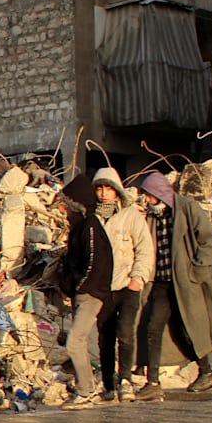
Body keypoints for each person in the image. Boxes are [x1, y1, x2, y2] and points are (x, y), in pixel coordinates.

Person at [134, 171, 212, 397]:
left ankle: (207, 371)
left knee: (189, 328)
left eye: (148, 195)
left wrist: (196, 272)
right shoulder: (153, 217)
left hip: (186, 281)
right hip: (161, 282)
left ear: (158, 192)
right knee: (152, 327)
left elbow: (207, 241)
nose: (146, 200)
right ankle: (152, 382)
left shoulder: (187, 209)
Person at [62, 168, 153, 409]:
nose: (104, 194)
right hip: (103, 287)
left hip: (126, 283)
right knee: (105, 336)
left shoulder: (130, 216)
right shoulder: (92, 219)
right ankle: (109, 385)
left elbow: (144, 248)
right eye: (100, 189)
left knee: (125, 333)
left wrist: (138, 278)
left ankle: (125, 380)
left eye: (109, 188)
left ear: (117, 191)